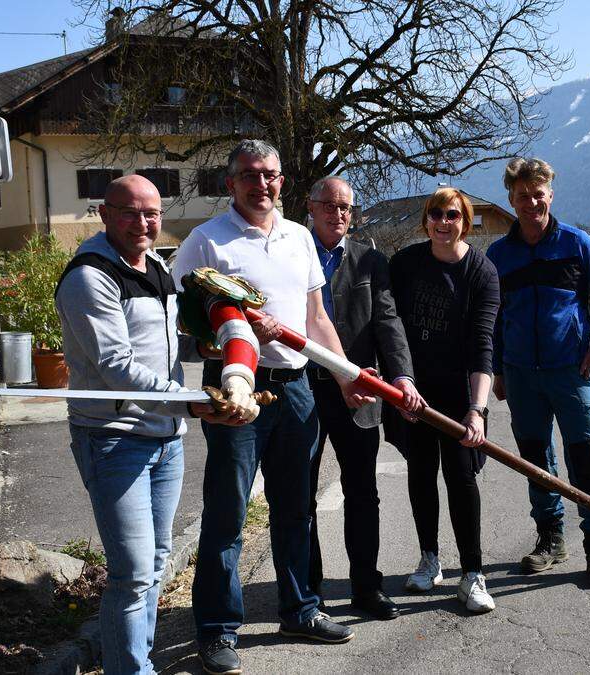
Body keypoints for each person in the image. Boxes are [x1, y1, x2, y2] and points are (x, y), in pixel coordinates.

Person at [172, 140, 368, 675]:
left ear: (282, 180)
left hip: (297, 386)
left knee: (295, 508)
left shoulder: (300, 236)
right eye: (250, 175)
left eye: (271, 175)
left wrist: (346, 375)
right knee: (229, 511)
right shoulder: (205, 240)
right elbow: (184, 316)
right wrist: (220, 334)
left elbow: (316, 318)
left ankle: (300, 610)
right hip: (236, 387)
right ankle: (216, 630)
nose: (262, 184)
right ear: (231, 182)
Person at [55, 174, 254, 674]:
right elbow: (116, 366)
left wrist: (207, 348)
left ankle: (135, 663)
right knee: (133, 574)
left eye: (151, 213)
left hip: (166, 440)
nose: (142, 222)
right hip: (114, 439)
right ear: (104, 212)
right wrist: (190, 401)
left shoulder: (158, 265)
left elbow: (164, 343)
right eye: (129, 212)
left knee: (156, 565)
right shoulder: (90, 276)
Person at [485, 157, 590, 588]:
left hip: (570, 371)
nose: (531, 203)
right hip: (521, 375)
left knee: (586, 457)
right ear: (511, 199)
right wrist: (498, 371)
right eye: (522, 196)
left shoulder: (577, 243)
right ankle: (551, 540)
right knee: (535, 461)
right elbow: (491, 318)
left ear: (550, 194)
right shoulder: (498, 255)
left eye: (538, 194)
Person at [304, 176, 424, 620]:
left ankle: (365, 588)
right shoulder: (293, 254)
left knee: (363, 491)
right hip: (305, 390)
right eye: (329, 205)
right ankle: (307, 594)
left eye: (346, 208)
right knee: (300, 495)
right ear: (311, 207)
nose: (338, 214)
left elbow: (388, 323)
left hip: (360, 388)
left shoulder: (371, 260)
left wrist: (404, 377)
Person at [388, 187, 500, 613]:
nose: (443, 221)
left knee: (461, 476)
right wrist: (398, 384)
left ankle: (472, 572)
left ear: (465, 221)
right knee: (420, 473)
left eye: (452, 215)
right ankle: (429, 559)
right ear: (426, 220)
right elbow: (390, 326)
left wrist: (477, 410)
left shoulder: (481, 272)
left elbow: (482, 345)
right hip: (412, 390)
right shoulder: (406, 264)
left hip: (457, 394)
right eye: (436, 214)